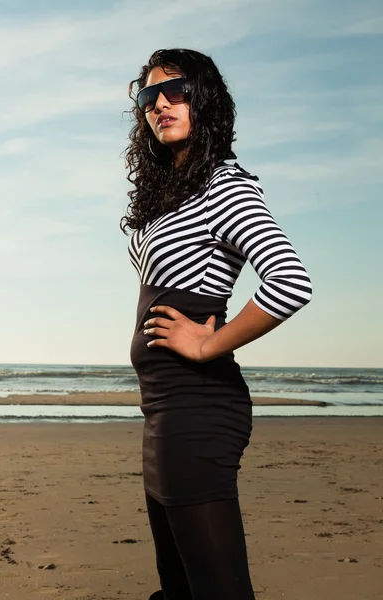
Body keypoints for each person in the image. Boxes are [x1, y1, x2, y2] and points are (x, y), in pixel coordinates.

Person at [121, 48, 312, 600]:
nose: (160, 104)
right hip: (163, 411)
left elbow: (290, 281)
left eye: (175, 89)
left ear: (204, 97)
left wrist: (207, 345)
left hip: (197, 408)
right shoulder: (173, 192)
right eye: (148, 96)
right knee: (180, 588)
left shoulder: (224, 185)